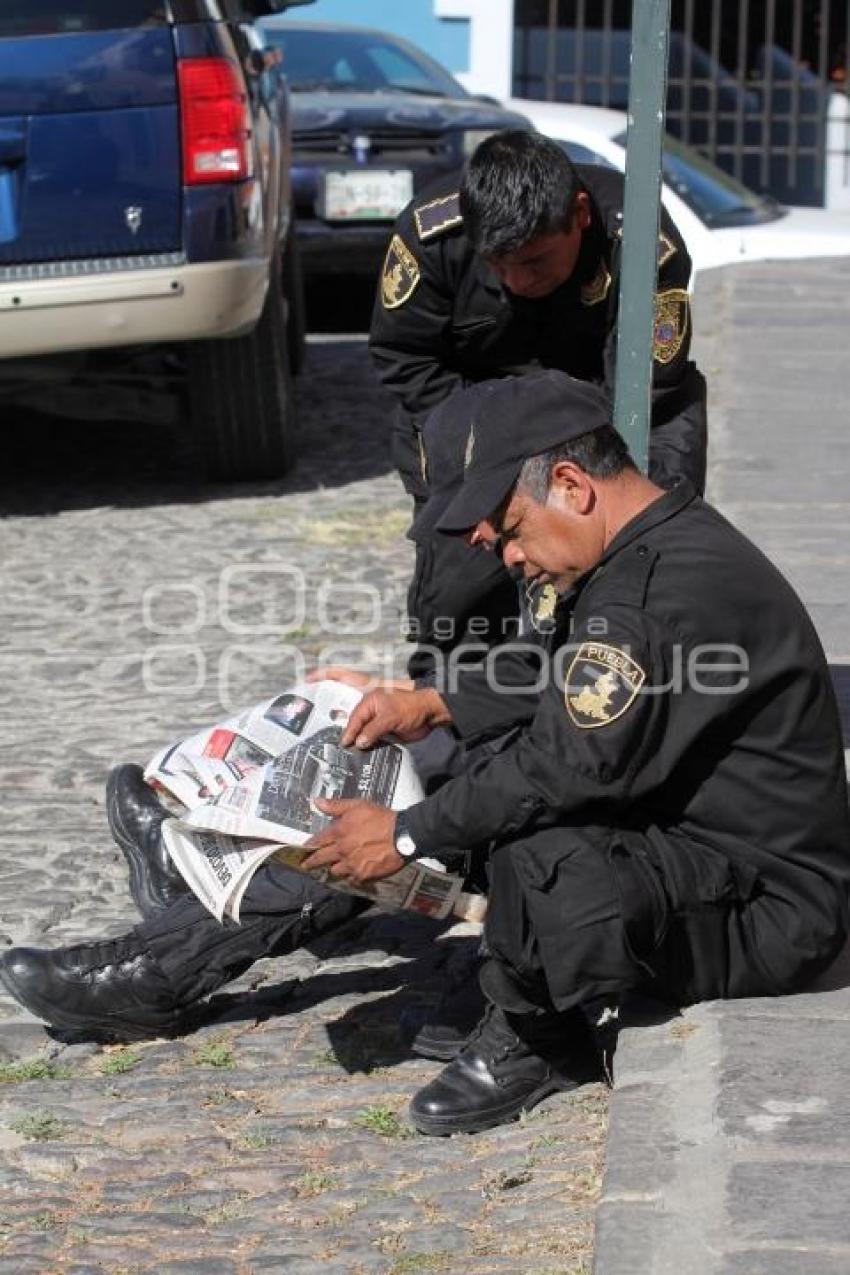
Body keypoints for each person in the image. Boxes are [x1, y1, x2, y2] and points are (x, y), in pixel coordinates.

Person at [3, 371, 848, 1139]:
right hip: (684, 837)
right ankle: (177, 941)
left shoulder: (655, 592)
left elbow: (565, 767)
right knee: (431, 762)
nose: (511, 556)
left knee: (526, 838)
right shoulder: (644, 547)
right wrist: (434, 703)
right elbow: (560, 678)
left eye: (512, 531)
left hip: (765, 906)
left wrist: (403, 833)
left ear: (570, 484)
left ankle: (538, 1034)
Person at [369, 128, 708, 677]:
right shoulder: (431, 236)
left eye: (534, 261)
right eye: (498, 265)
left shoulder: (640, 241)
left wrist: (561, 466)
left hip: (608, 409)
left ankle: (638, 683)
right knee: (463, 579)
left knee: (645, 552)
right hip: (473, 413)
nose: (517, 280)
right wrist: (500, 453)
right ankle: (455, 696)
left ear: (579, 215)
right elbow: (405, 361)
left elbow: (648, 381)